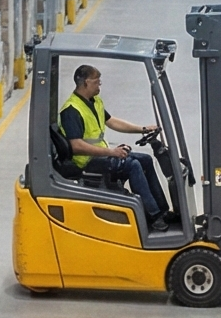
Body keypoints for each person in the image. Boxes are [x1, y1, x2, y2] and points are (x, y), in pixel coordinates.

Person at [60, 62, 170, 225]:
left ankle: (162, 210)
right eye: (97, 81)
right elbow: (76, 146)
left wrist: (143, 129)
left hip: (100, 155)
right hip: (86, 162)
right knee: (132, 165)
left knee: (145, 160)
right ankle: (153, 216)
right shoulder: (71, 110)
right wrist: (112, 153)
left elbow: (112, 122)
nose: (100, 85)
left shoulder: (94, 101)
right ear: (85, 83)